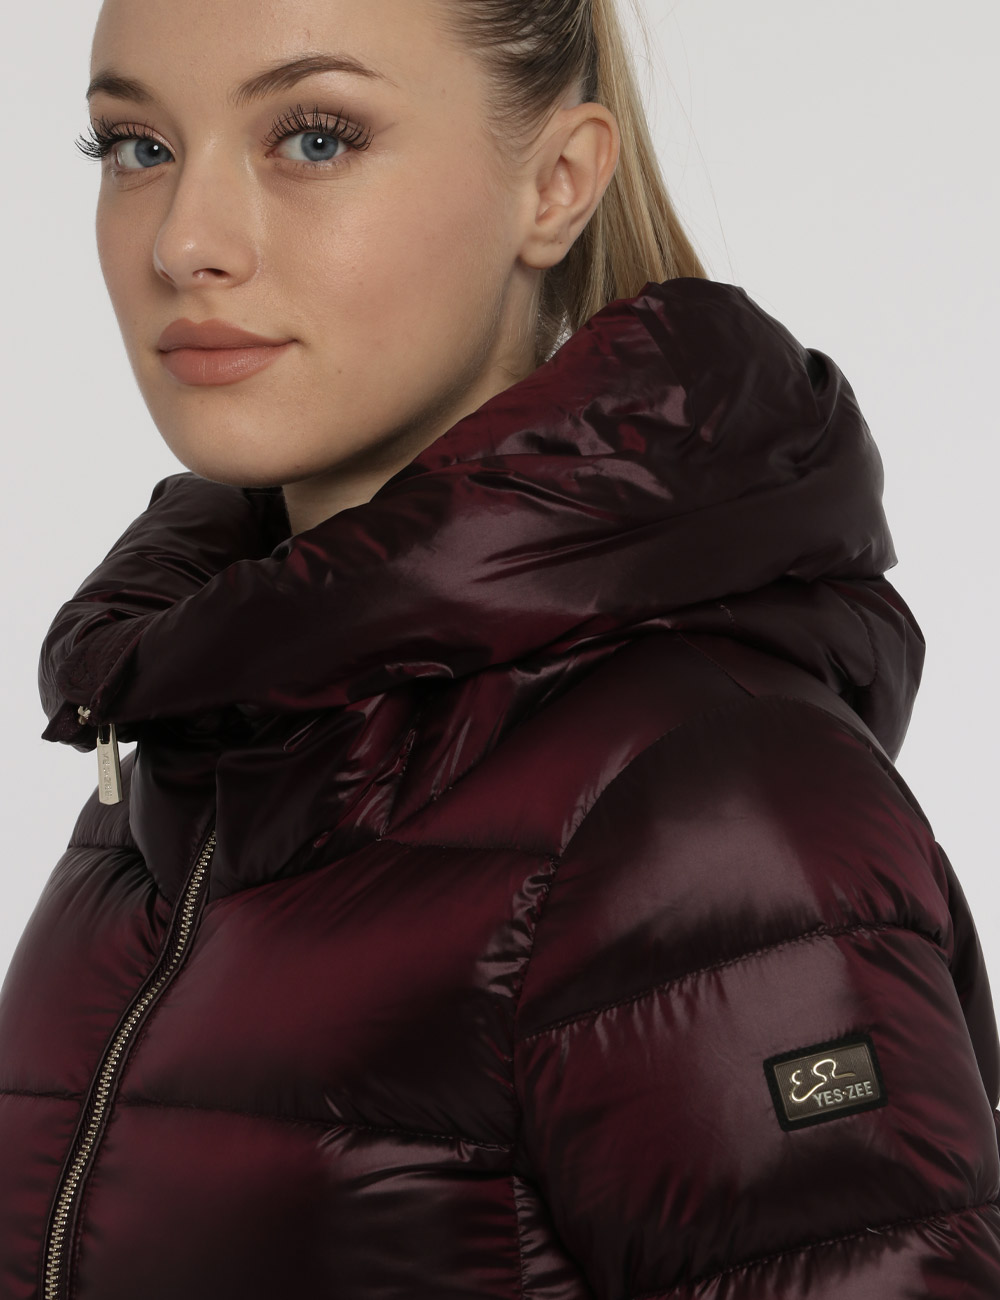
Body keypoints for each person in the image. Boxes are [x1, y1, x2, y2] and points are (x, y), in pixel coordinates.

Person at [1, 0, 998, 1294]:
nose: (184, 242)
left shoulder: (706, 811)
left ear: (557, 183)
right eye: (136, 147)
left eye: (315, 137)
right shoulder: (207, 727)